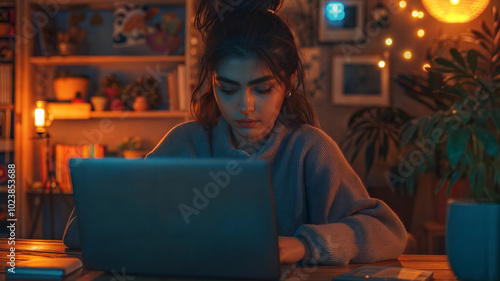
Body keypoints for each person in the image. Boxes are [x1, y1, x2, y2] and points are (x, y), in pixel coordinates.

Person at [63, 0, 407, 265]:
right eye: (227, 89)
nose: (245, 106)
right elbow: (80, 231)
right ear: (212, 84)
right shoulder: (187, 142)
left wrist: (305, 245)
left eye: (262, 89)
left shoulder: (309, 150)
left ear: (287, 85)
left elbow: (389, 233)